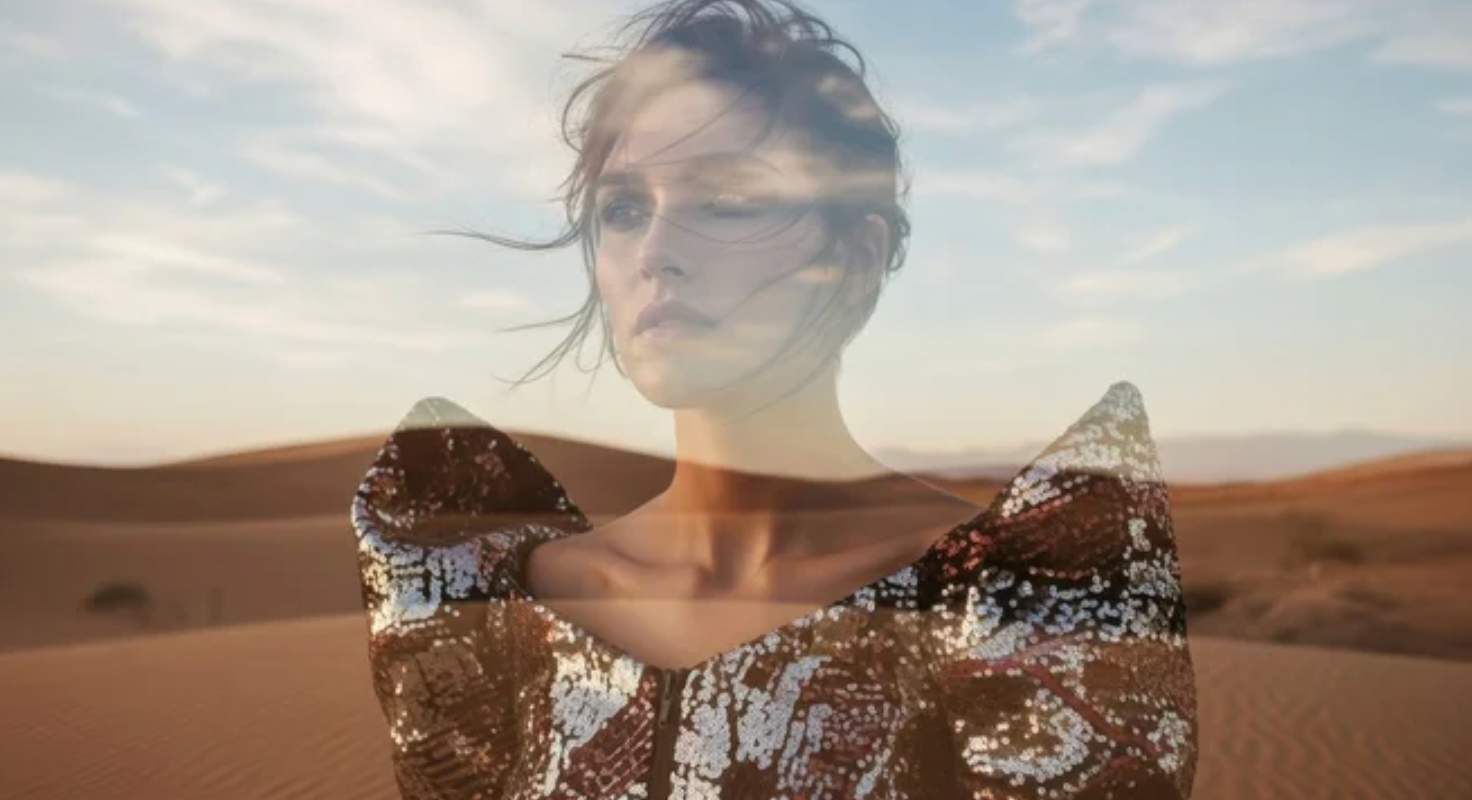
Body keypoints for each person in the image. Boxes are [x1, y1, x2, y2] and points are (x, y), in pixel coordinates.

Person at [350, 1, 1199, 798]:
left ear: (859, 254)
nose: (656, 250)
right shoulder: (495, 608)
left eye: (726, 201)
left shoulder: (1003, 602)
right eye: (621, 209)